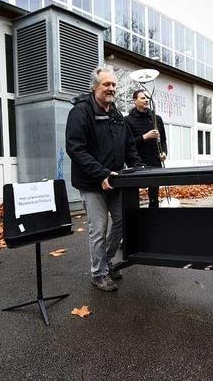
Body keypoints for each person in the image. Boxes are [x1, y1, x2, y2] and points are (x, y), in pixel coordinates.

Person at [65, 65, 143, 292]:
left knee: (122, 222)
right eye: (106, 84)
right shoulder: (81, 112)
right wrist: (101, 173)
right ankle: (98, 274)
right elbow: (75, 149)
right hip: (92, 182)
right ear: (94, 87)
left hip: (116, 181)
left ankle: (106, 262)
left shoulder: (116, 114)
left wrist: (137, 165)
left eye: (114, 85)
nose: (111, 88)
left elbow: (128, 145)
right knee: (98, 228)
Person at [125, 89, 167, 208]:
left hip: (155, 162)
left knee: (154, 197)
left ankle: (154, 219)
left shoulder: (156, 118)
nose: (146, 100)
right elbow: (127, 144)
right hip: (137, 163)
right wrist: (145, 137)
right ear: (135, 101)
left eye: (147, 98)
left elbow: (163, 140)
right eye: (143, 98)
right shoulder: (127, 120)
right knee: (134, 196)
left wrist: (164, 153)